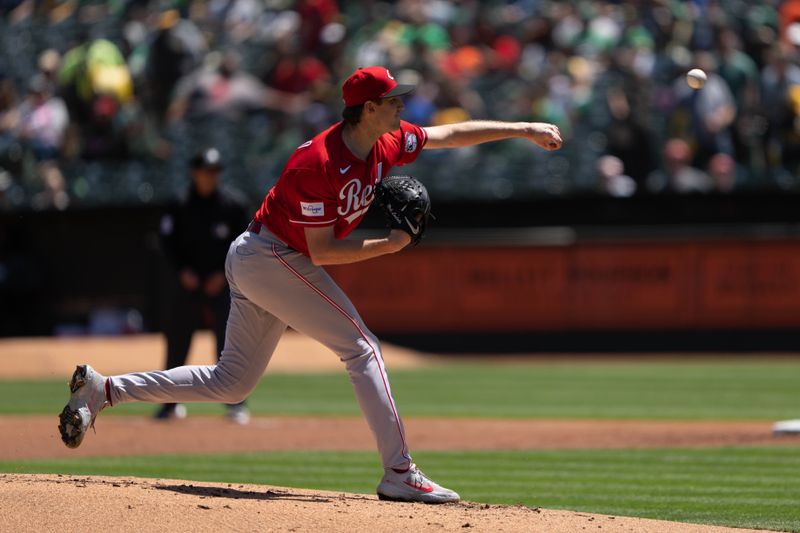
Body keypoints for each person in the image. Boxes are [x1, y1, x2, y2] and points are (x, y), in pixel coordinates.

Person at [58, 65, 562, 503]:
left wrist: (523, 128)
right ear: (367, 109)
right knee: (362, 347)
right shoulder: (317, 163)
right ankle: (400, 473)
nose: (402, 105)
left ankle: (104, 390)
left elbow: (447, 136)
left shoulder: (385, 142)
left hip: (264, 257)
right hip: (271, 256)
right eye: (392, 100)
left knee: (231, 382)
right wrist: (389, 245)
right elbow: (321, 253)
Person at [156, 147, 251, 424]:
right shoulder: (179, 204)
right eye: (205, 171)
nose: (210, 177)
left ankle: (236, 403)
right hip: (188, 283)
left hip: (222, 283)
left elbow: (245, 242)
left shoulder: (233, 205)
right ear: (194, 173)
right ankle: (169, 403)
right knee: (177, 341)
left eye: (214, 172)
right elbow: (166, 243)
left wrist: (223, 275)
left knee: (229, 342)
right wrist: (182, 271)